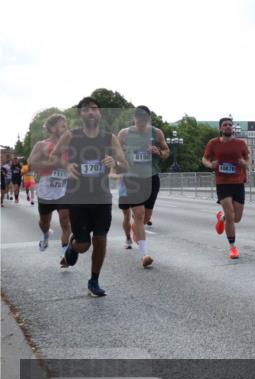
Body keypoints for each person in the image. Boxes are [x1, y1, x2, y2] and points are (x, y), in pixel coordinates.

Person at [52, 96, 129, 297]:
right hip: (78, 197)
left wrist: (115, 162)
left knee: (101, 239)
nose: (90, 112)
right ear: (81, 114)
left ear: (99, 112)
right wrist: (66, 165)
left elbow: (124, 164)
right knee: (84, 245)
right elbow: (54, 156)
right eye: (86, 109)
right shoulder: (71, 136)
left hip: (102, 197)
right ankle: (73, 245)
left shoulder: (109, 138)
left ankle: (94, 281)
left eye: (94, 108)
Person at [117, 106, 169, 266]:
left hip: (151, 177)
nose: (141, 121)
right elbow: (115, 152)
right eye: (139, 118)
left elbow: (166, 152)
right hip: (132, 177)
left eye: (145, 118)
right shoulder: (124, 133)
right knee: (138, 214)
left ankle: (136, 228)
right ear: (134, 118)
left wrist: (158, 152)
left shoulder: (156, 132)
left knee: (145, 217)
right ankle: (145, 254)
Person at [202, 117, 250, 259]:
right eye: (225, 125)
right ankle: (233, 247)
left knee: (237, 218)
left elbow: (248, 163)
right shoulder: (213, 143)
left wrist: (243, 163)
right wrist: (210, 165)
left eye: (230, 125)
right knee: (231, 215)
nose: (228, 127)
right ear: (220, 128)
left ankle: (221, 218)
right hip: (222, 182)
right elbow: (204, 159)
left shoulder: (241, 144)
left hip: (238, 182)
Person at [28, 113, 72, 255]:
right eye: (62, 125)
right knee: (44, 223)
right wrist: (51, 163)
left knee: (65, 221)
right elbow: (31, 163)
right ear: (53, 128)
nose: (66, 128)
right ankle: (46, 234)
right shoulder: (42, 145)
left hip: (64, 190)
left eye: (66, 125)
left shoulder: (70, 146)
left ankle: (64, 254)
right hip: (46, 189)